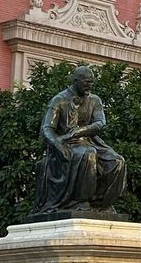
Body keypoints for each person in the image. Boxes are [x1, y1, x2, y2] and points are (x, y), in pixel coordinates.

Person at [34, 65, 128, 216]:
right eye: (86, 82)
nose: (89, 86)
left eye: (91, 82)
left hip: (90, 141)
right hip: (66, 144)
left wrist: (79, 131)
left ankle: (101, 203)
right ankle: (81, 202)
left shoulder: (94, 100)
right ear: (75, 81)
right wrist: (58, 146)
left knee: (117, 161)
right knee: (88, 154)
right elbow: (46, 129)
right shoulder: (59, 100)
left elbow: (100, 123)